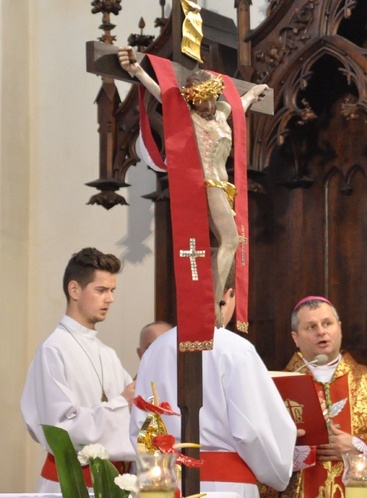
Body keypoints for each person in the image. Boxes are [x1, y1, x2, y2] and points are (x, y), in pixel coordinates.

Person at [117, 45, 268, 326]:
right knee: (231, 240)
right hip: (208, 185)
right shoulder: (190, 117)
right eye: (200, 101)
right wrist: (136, 70)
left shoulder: (222, 113)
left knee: (227, 242)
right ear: (192, 101)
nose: (207, 105)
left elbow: (239, 107)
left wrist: (251, 94)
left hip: (225, 187)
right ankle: (212, 303)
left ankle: (213, 297)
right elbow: (160, 93)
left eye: (210, 99)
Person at [130, 266, 297, 498]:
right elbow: (254, 431)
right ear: (228, 294)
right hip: (228, 486)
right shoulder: (237, 350)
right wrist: (278, 471)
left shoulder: (155, 350)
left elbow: (142, 427)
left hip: (166, 485)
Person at [266, 296, 367, 498]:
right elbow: (260, 443)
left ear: (340, 328)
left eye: (327, 323)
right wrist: (297, 448)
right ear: (295, 338)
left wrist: (357, 446)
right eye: (311, 327)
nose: (321, 331)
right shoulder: (276, 388)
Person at [20, 247, 136, 492]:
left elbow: (134, 413)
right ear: (74, 290)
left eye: (112, 291)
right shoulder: (53, 350)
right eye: (101, 290)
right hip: (69, 484)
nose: (110, 299)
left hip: (113, 484)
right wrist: (121, 403)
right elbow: (59, 428)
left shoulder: (107, 353)